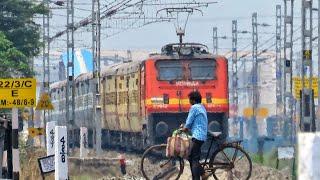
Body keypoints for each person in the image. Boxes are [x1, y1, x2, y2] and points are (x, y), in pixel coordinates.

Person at [181, 91, 208, 180]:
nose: (189, 102)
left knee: (193, 158)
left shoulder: (194, 108)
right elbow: (196, 122)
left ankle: (199, 176)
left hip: (198, 136)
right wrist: (186, 127)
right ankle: (203, 174)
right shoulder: (202, 107)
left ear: (193, 100)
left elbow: (189, 122)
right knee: (191, 157)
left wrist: (184, 128)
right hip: (201, 135)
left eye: (190, 100)